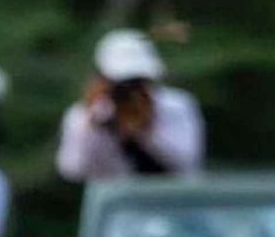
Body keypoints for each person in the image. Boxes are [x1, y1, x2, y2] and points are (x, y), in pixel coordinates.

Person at [55, 29, 204, 181]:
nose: (131, 92)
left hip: (171, 201)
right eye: (121, 84)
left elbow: (187, 162)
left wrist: (144, 131)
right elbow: (72, 170)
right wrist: (91, 125)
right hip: (118, 202)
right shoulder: (84, 115)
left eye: (137, 82)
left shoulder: (176, 105)